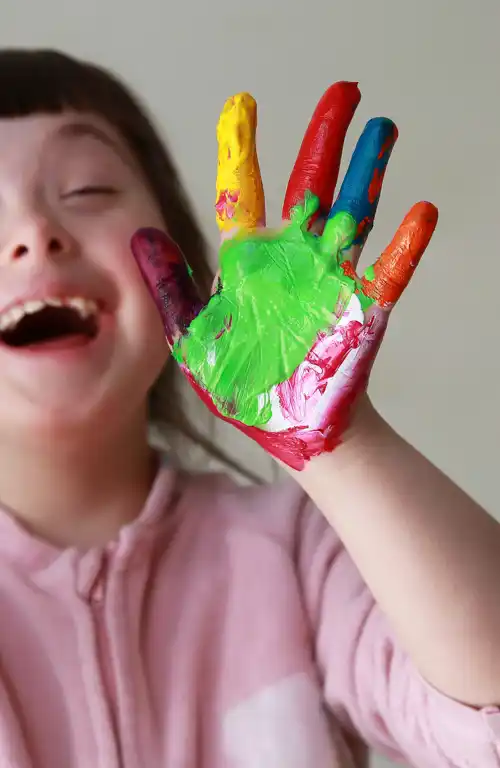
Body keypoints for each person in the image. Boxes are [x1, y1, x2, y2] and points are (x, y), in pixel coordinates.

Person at [0, 48, 497, 768]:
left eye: (86, 189)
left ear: (189, 259)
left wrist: (341, 451)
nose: (32, 231)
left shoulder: (299, 555)